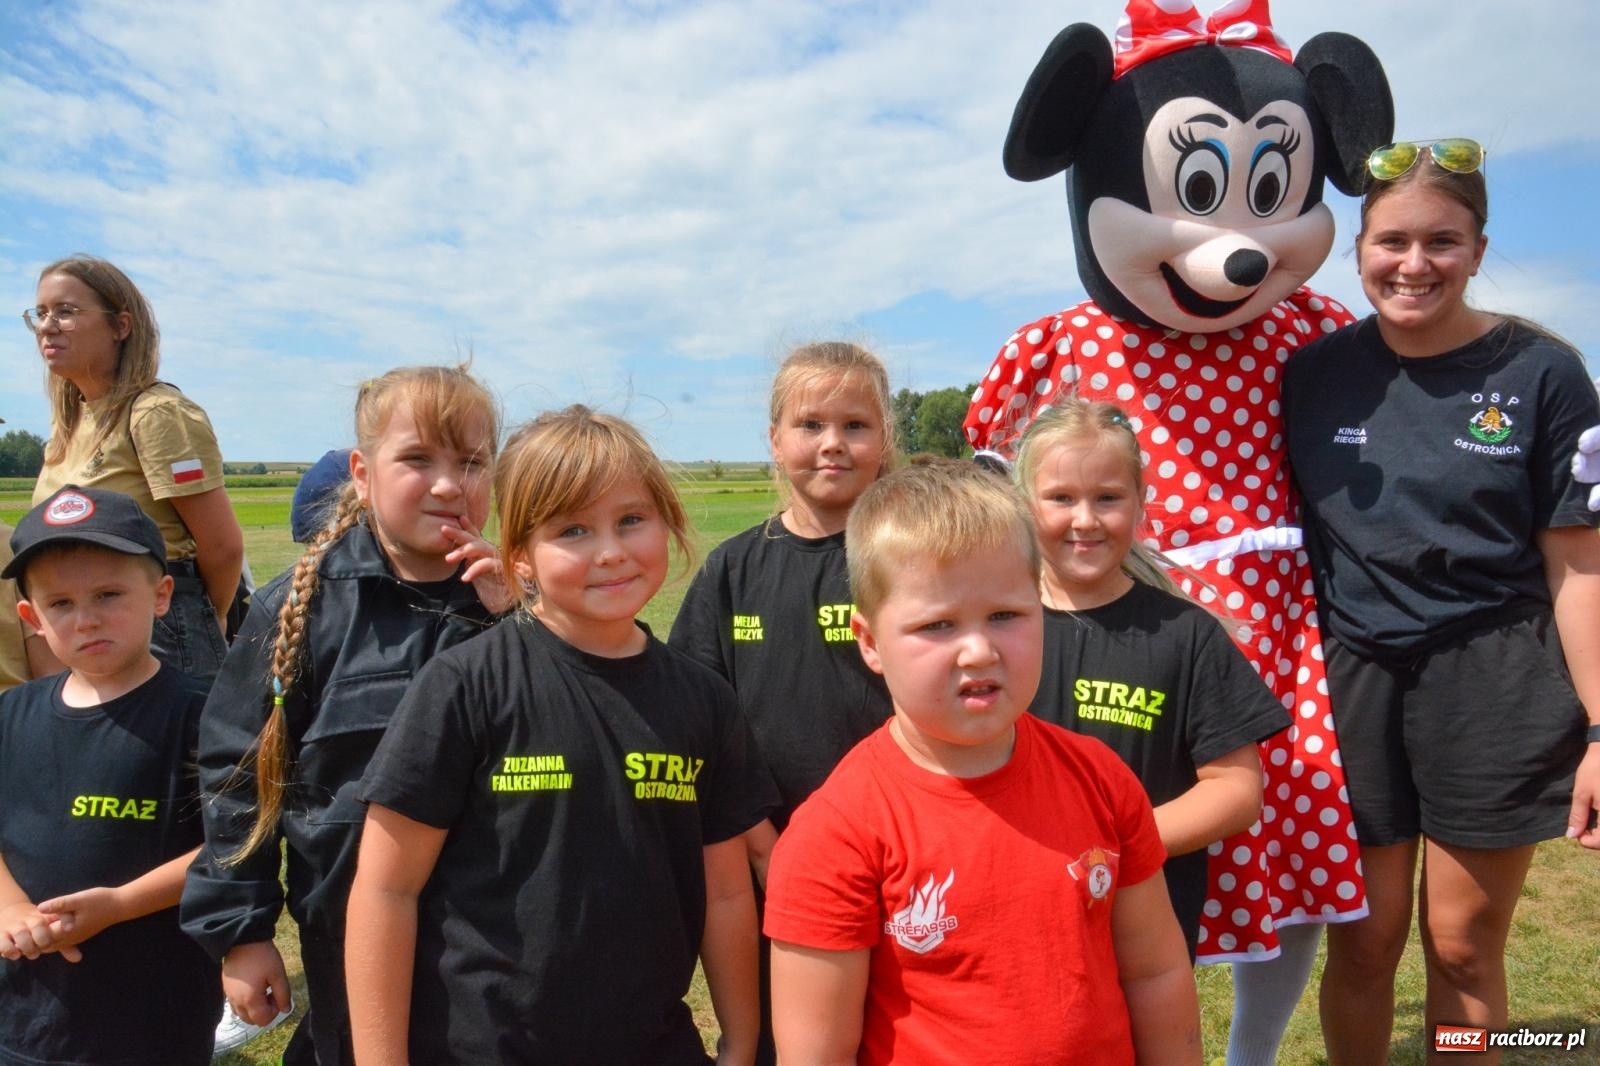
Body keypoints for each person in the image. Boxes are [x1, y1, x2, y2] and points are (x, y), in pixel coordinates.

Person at [1282, 137, 1600, 1063]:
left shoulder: (1544, 376)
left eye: (1443, 242)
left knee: (1462, 945)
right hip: (1358, 682)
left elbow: (1578, 569)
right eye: (1392, 242)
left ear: (1479, 246)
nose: (1414, 265)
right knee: (1367, 939)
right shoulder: (1313, 373)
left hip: (1494, 682)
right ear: (1358, 250)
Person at [345, 405, 778, 1064]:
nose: (609, 551)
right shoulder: (464, 686)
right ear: (519, 555)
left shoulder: (704, 702)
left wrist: (742, 1042)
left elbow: (723, 892)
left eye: (632, 520)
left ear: (668, 523)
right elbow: (385, 888)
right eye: (572, 530)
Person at [763, 459, 1201, 1065]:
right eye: (937, 624)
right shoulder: (836, 833)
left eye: (1005, 616)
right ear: (870, 642)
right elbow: (817, 1054)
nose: (979, 650)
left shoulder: (1101, 779)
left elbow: (1155, 973)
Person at [179, 365, 504, 1065]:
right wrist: (242, 930)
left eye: (471, 462)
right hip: (347, 928)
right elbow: (236, 777)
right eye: (417, 459)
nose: (449, 484)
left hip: (496, 936)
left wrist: (526, 620)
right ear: (363, 472)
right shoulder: (300, 611)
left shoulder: (514, 605)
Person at [668, 340, 895, 1063]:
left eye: (856, 425)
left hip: (898, 847)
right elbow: (692, 717)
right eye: (810, 425)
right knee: (790, 1035)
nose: (833, 444)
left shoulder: (910, 556)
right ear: (773, 440)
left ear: (885, 437)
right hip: (768, 859)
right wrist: (756, 835)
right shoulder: (733, 568)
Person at [1015, 399, 1289, 960]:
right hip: (1011, 909)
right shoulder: (992, 624)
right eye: (1061, 498)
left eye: (1108, 498)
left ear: (1141, 503)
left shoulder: (1186, 635)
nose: (1085, 519)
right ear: (1024, 503)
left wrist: (1112, 846)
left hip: (1141, 934)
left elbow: (1236, 793)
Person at [0, 486, 219, 1064]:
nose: (87, 618)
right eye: (61, 604)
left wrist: (120, 904)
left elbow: (231, 847)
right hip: (26, 1015)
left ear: (162, 594)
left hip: (153, 1014)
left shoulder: (203, 713)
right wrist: (10, 908)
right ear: (33, 618)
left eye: (109, 594)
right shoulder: (10, 714)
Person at [27, 255, 244, 685]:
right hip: (84, 628)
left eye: (66, 312)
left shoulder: (156, 414)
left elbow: (222, 546)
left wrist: (203, 621)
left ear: (120, 326)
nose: (48, 326)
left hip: (160, 628)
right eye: (41, 313)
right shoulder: (69, 423)